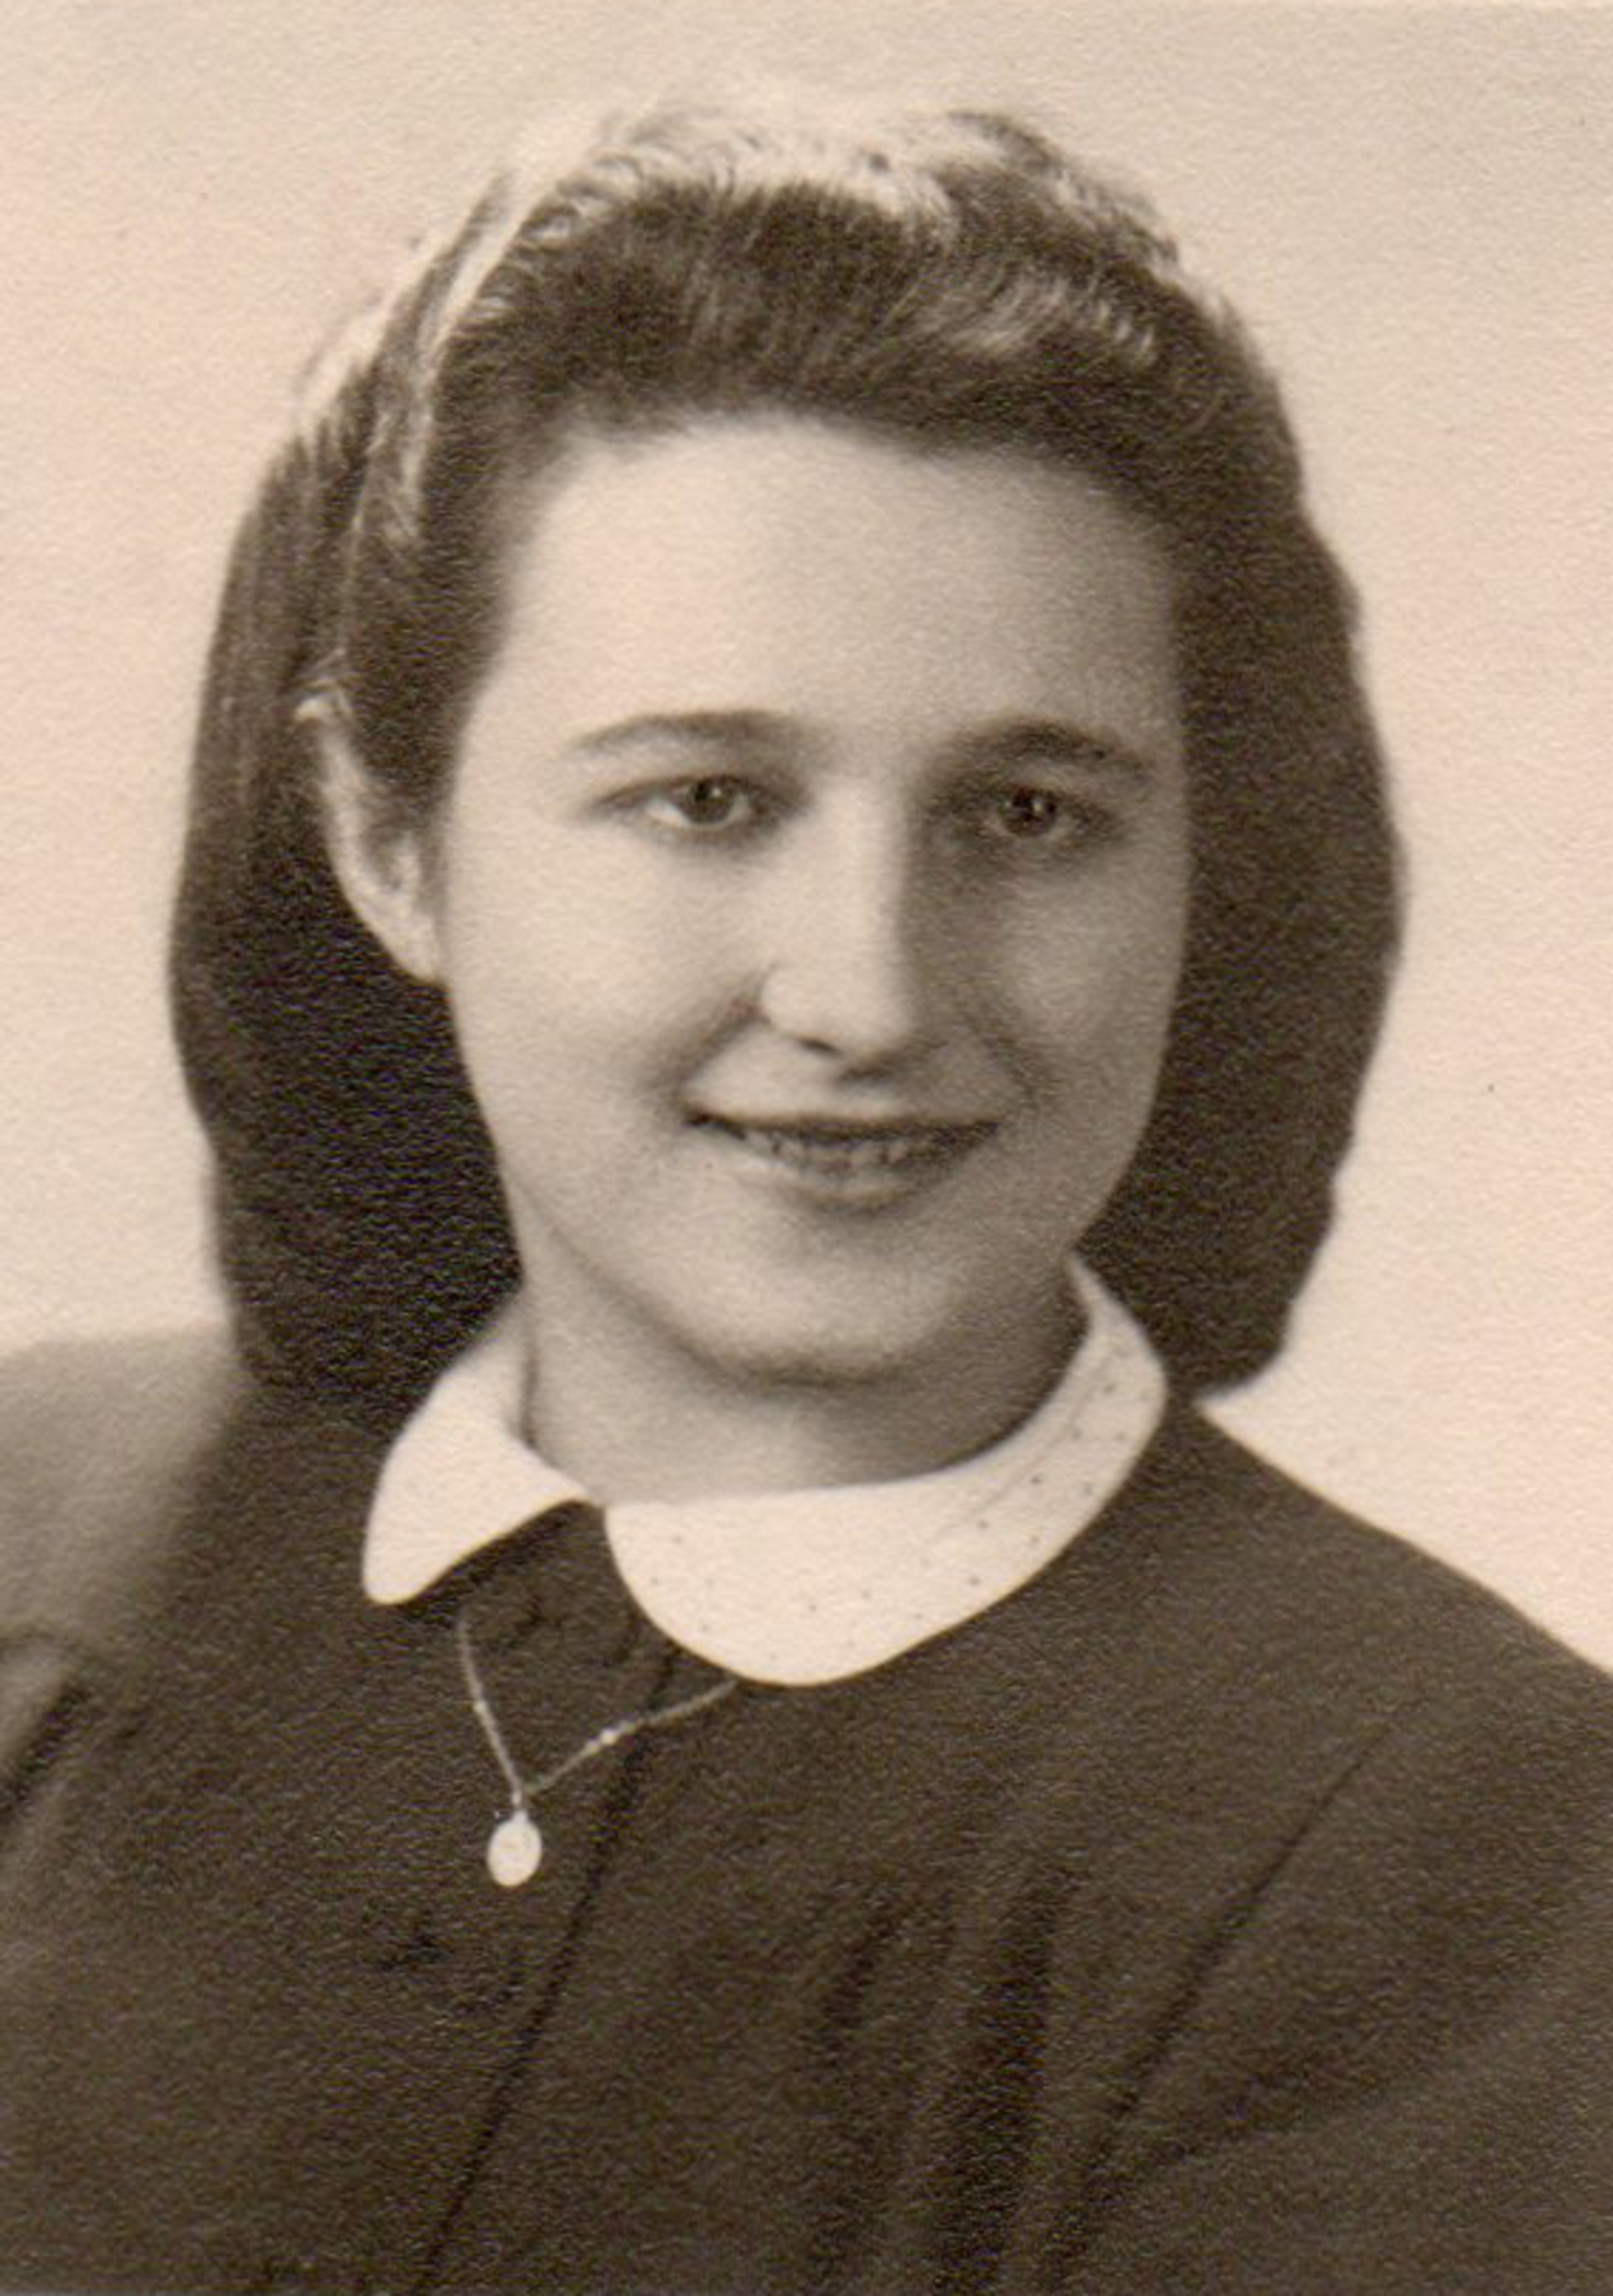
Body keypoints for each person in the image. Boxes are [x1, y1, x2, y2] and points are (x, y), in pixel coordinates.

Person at [2, 90, 1610, 2295]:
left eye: (1028, 815)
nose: (870, 994)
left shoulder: (1453, 1845)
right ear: (389, 840)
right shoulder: (34, 1542)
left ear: (1201, 871)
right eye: (709, 799)